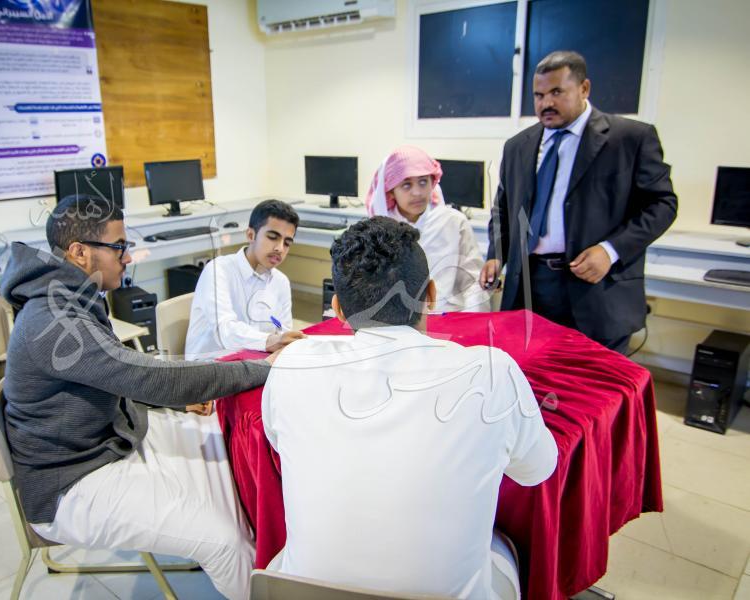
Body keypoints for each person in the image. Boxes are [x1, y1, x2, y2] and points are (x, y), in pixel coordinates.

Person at [261, 217, 557, 599]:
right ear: (431, 294)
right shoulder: (493, 371)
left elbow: (278, 441)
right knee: (504, 547)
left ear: (337, 309)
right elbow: (537, 470)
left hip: (304, 593)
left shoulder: (292, 364)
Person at [0, 194, 275, 600]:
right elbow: (143, 376)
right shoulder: (54, 321)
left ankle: (244, 547)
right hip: (70, 483)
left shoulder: (67, 295)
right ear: (79, 252)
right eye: (119, 247)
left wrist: (175, 398)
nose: (127, 258)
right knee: (225, 543)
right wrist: (262, 369)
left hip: (102, 441)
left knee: (219, 448)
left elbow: (115, 373)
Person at [480, 50, 677, 354]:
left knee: (594, 381)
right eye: (539, 95)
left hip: (597, 289)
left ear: (584, 88)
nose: (546, 103)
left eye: (557, 92)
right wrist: (497, 254)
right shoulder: (518, 146)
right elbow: (503, 208)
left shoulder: (629, 139)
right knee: (530, 376)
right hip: (530, 289)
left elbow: (662, 205)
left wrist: (610, 250)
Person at [366, 145, 489, 313]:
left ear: (433, 183)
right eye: (406, 185)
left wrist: (471, 321)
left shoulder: (452, 222)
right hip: (395, 320)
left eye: (423, 182)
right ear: (391, 191)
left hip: (448, 317)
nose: (417, 192)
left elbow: (473, 283)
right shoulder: (379, 230)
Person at [185, 199, 306, 361]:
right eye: (272, 237)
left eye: (287, 243)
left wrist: (284, 340)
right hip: (209, 366)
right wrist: (270, 341)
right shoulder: (218, 271)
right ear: (251, 235)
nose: (279, 248)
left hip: (254, 362)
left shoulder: (281, 281)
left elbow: (283, 332)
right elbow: (225, 332)